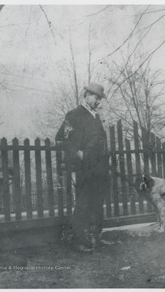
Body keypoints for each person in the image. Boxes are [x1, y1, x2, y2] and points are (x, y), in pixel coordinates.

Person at [56, 82, 113, 252]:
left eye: (100, 99)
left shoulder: (96, 117)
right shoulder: (74, 115)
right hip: (84, 168)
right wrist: (79, 154)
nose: (98, 102)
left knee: (97, 203)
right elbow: (61, 139)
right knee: (83, 203)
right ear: (86, 95)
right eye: (96, 97)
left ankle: (96, 237)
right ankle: (79, 240)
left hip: (100, 167)